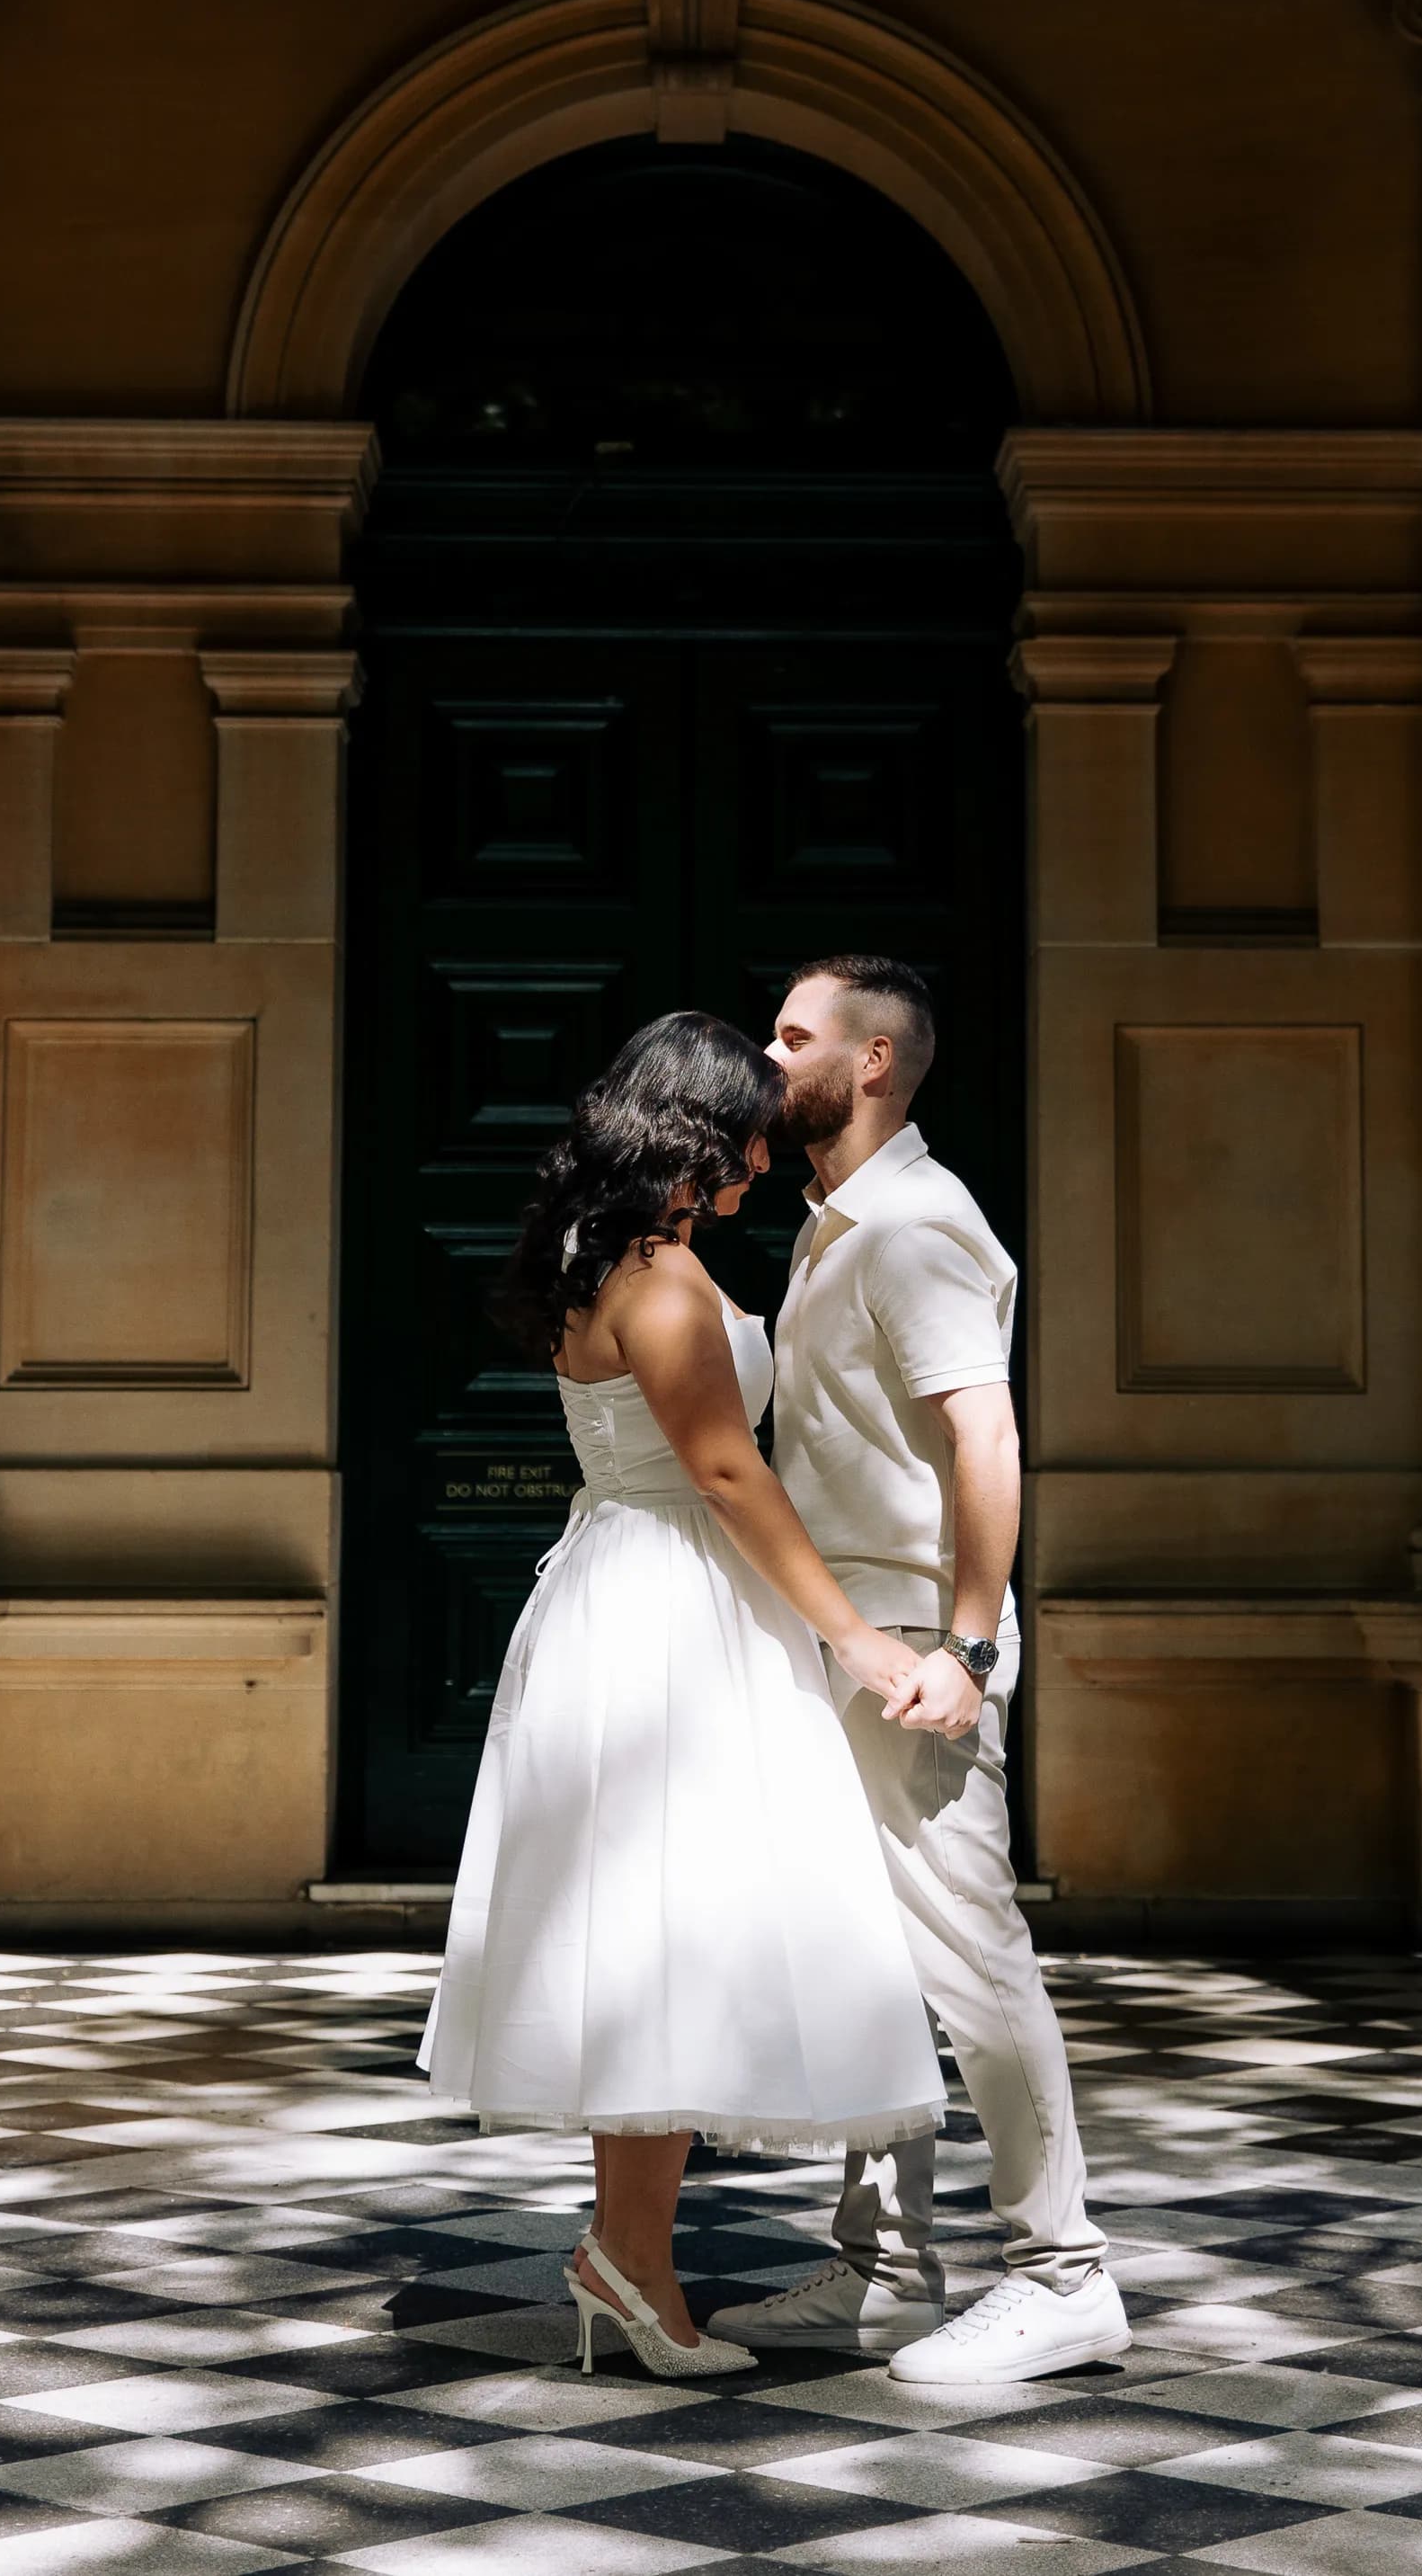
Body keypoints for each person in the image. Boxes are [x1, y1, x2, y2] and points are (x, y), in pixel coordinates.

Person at [415, 1010, 947, 2381]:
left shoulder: (613, 1257)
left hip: (637, 1588)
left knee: (663, 1938)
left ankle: (626, 2257)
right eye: (748, 1144)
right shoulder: (656, 1278)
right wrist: (856, 1639)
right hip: (671, 1607)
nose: (764, 1167)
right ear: (693, 1136)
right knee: (668, 1933)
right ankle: (630, 2260)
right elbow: (725, 1470)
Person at [711, 955, 1131, 2385]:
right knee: (871, 1963)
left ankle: (1064, 2271)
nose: (768, 1060)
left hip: (911, 1657)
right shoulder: (839, 1226)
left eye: (792, 1037)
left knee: (972, 1961)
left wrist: (966, 1642)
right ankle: (885, 2268)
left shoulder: (915, 1227)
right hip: (850, 1645)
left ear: (874, 1060)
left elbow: (985, 1440)